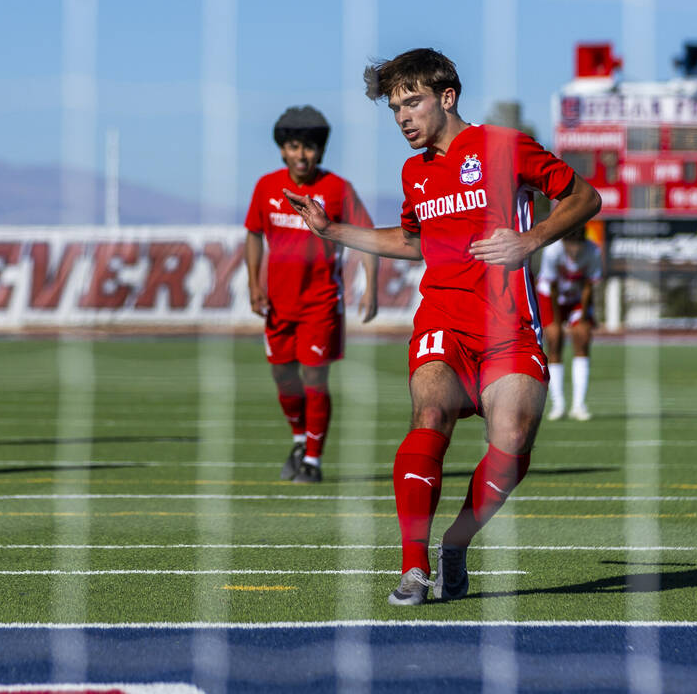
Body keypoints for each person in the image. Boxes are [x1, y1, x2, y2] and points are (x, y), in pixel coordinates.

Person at [284, 48, 600, 604]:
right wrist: (331, 230)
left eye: (412, 102)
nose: (403, 117)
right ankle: (413, 567)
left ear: (446, 97)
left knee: (513, 440)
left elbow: (584, 197)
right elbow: (411, 241)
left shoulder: (504, 147)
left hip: (510, 328)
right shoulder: (416, 172)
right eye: (395, 109)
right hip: (443, 322)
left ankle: (457, 542)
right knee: (430, 415)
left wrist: (531, 239)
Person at [245, 106, 379, 484]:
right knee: (283, 377)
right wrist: (254, 284)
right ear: (282, 150)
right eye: (293, 146)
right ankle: (300, 441)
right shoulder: (266, 187)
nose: (301, 154)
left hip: (320, 301)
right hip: (278, 304)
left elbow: (367, 236)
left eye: (309, 148)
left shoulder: (337, 189)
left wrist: (370, 284)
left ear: (320, 152)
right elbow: (253, 235)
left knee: (315, 379)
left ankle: (314, 462)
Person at [536, 226, 603, 421]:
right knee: (555, 339)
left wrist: (583, 319)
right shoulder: (552, 251)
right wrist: (557, 322)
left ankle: (579, 405)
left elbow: (589, 286)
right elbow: (553, 286)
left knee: (582, 336)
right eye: (570, 244)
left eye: (578, 244)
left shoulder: (593, 251)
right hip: (551, 297)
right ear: (563, 242)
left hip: (576, 297)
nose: (574, 249)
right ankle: (558, 405)